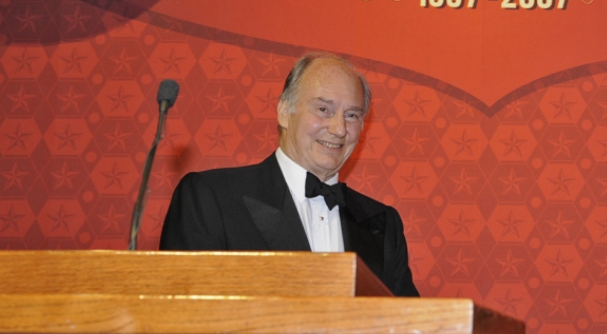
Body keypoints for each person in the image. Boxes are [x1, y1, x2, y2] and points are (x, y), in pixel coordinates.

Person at [161, 53, 418, 297]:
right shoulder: (211, 198)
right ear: (284, 112)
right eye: (323, 109)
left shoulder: (383, 224)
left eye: (351, 115)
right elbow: (180, 317)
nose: (339, 129)